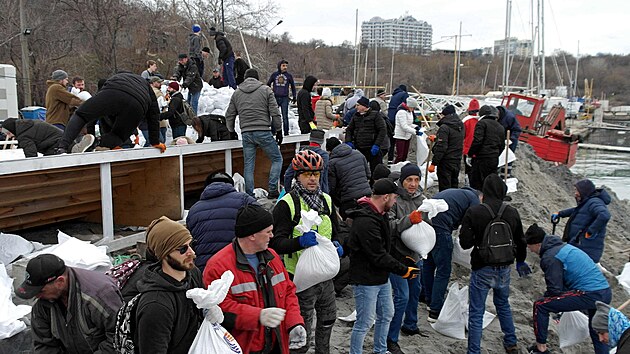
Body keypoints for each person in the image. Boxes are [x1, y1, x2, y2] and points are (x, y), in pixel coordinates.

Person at [203, 204, 307, 353]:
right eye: (268, 232)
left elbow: (288, 292)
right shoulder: (219, 266)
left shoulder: (273, 258)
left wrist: (294, 322)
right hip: (242, 348)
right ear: (252, 235)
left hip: (276, 345)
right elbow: (218, 309)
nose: (272, 236)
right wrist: (257, 316)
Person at [270, 150, 340, 354]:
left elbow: (337, 230)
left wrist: (338, 243)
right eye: (307, 174)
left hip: (325, 275)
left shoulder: (326, 200)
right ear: (297, 175)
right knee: (302, 328)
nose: (312, 179)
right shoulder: (287, 204)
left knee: (328, 318)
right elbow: (276, 243)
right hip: (298, 279)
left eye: (316, 174)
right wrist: (299, 242)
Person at [346, 178, 420, 354]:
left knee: (387, 313)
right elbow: (377, 255)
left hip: (381, 276)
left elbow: (386, 247)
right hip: (365, 279)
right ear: (386, 197)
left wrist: (404, 260)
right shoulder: (365, 221)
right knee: (364, 322)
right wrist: (403, 270)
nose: (395, 201)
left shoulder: (381, 215)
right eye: (394, 198)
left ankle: (380, 349)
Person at [459, 174, 529, 354]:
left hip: (482, 266)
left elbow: (465, 243)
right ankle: (511, 342)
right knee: (503, 304)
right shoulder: (512, 212)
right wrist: (520, 261)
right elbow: (521, 241)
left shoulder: (475, 212)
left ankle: (474, 351)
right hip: (505, 267)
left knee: (476, 312)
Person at [524, 223, 612, 354]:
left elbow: (555, 289)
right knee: (597, 328)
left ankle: (540, 348)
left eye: (530, 247)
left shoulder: (550, 257)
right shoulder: (564, 247)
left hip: (589, 294)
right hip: (604, 290)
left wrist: (551, 301)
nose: (530, 250)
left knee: (540, 305)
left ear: (537, 244)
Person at [15, 254, 123, 353]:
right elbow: (44, 345)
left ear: (60, 282)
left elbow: (119, 338)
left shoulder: (99, 294)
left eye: (41, 291)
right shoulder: (42, 305)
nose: (37, 296)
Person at [134, 216, 203, 354]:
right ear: (164, 253)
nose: (192, 253)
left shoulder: (193, 273)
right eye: (182, 249)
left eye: (191, 245)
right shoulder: (156, 306)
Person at [54, 72, 164, 153]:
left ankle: (62, 147)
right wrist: (155, 141)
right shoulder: (147, 87)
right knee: (118, 136)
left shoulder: (116, 77)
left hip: (112, 91)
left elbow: (101, 109)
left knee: (80, 115)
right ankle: (98, 143)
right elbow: (154, 115)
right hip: (137, 103)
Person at [423, 187, 480, 322]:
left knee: (429, 263)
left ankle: (428, 298)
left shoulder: (457, 193)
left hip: (427, 223)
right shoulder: (474, 200)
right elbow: (471, 222)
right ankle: (435, 310)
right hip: (441, 227)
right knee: (443, 269)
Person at [225, 68, 283, 198]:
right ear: (257, 78)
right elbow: (275, 113)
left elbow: (229, 115)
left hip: (246, 133)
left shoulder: (237, 93)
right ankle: (273, 189)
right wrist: (279, 130)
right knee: (277, 159)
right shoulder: (266, 90)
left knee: (249, 165)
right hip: (263, 131)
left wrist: (231, 131)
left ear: (245, 78)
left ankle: (249, 194)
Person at [386, 164, 425, 354]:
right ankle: (390, 338)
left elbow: (428, 226)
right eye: (409, 180)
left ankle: (410, 324)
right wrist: (409, 219)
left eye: (416, 180)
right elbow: (390, 226)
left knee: (415, 290)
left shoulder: (422, 199)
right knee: (401, 296)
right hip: (397, 255)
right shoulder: (395, 200)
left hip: (416, 255)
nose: (413, 184)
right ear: (402, 180)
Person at [186, 171, 257, 273]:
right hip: (239, 265)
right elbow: (264, 222)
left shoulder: (194, 210)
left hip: (207, 269)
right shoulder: (244, 200)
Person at [552, 178, 611, 263]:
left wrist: (591, 231)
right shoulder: (588, 202)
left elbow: (604, 215)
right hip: (580, 245)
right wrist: (560, 213)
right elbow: (578, 211)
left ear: (584, 191)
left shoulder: (594, 202)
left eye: (577, 191)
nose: (575, 194)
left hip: (586, 247)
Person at [327, 136, 372, 219]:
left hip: (348, 199)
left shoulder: (332, 163)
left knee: (347, 227)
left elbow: (332, 187)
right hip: (367, 196)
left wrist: (338, 201)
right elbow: (368, 175)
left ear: (329, 150)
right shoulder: (358, 154)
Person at [0, 118, 94, 157]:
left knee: (47, 163)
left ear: (11, 129)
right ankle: (84, 147)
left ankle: (77, 149)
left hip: (53, 145)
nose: (7, 134)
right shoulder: (28, 124)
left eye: (7, 131)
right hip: (61, 138)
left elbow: (31, 153)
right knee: (68, 148)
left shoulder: (23, 135)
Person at [468, 105, 505, 191]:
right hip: (494, 158)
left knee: (477, 183)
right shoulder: (500, 126)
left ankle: (479, 200)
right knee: (490, 182)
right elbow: (502, 145)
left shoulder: (482, 123)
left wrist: (471, 154)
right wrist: (495, 154)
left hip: (481, 158)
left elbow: (477, 141)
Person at [345, 96, 387, 173]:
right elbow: (349, 129)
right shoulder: (356, 116)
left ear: (364, 106)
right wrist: (348, 141)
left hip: (372, 148)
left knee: (375, 170)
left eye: (358, 105)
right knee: (359, 170)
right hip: (359, 148)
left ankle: (374, 183)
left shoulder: (375, 115)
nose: (356, 107)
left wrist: (377, 144)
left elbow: (382, 130)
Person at [428, 104, 464, 191]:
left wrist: (434, 163)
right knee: (454, 186)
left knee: (445, 188)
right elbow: (454, 140)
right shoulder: (460, 125)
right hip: (456, 160)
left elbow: (442, 147)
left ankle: (445, 203)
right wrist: (437, 139)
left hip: (446, 162)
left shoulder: (444, 127)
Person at [283, 129, 330, 193]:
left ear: (310, 139)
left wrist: (288, 192)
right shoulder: (324, 156)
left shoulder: (300, 155)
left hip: (300, 192)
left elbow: (288, 175)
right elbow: (322, 175)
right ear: (321, 141)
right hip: (320, 194)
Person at [267, 60, 297, 136]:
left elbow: (293, 87)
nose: (285, 67)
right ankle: (273, 132)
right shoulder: (274, 75)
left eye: (286, 66)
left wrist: (294, 96)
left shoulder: (289, 76)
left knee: (285, 116)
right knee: (275, 115)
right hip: (275, 97)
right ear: (279, 66)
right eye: (283, 66)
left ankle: (286, 133)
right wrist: (269, 93)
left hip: (284, 98)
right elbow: (268, 84)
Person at [496, 105, 522, 178]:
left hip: (510, 141)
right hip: (500, 140)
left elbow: (517, 130)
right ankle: (496, 176)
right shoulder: (495, 116)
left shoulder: (509, 117)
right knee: (498, 158)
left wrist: (511, 139)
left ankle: (505, 177)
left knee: (507, 159)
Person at [393, 97, 421, 163]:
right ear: (409, 106)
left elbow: (409, 124)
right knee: (400, 156)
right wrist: (415, 132)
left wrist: (415, 127)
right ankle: (395, 167)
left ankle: (401, 168)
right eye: (413, 107)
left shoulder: (409, 112)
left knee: (404, 155)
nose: (413, 109)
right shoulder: (401, 112)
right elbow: (404, 126)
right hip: (400, 136)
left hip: (407, 136)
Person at [387, 85, 409, 162]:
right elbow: (407, 105)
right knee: (401, 139)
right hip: (397, 118)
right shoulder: (404, 94)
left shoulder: (394, 95)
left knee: (392, 140)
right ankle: (400, 160)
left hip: (390, 118)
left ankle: (390, 158)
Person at [462, 99, 481, 185]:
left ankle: (468, 185)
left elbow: (462, 135)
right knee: (476, 170)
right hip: (478, 150)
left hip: (467, 149)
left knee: (468, 170)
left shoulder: (466, 120)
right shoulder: (481, 120)